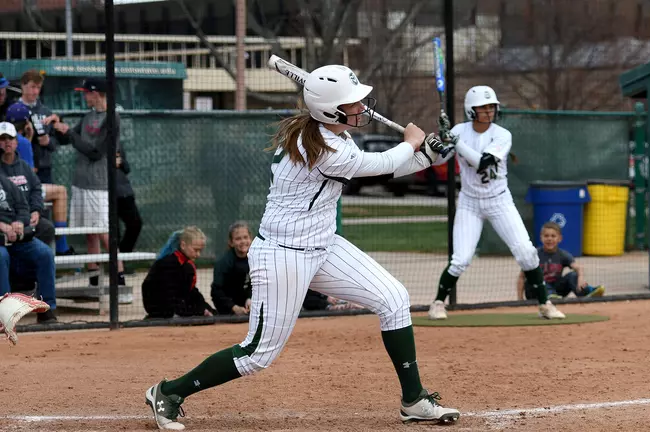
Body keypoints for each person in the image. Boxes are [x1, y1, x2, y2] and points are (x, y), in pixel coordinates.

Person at [143, 64, 459, 430]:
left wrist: (428, 156)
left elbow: (379, 169)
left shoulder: (332, 135)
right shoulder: (323, 148)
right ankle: (169, 392)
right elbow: (383, 162)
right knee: (257, 354)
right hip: (284, 255)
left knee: (394, 299)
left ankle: (414, 399)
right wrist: (411, 143)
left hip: (323, 246)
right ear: (330, 111)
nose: (361, 107)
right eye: (352, 103)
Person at [428, 85, 566, 321]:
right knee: (461, 259)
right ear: (471, 110)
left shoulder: (502, 134)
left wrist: (456, 142)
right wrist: (440, 139)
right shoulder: (459, 131)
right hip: (470, 203)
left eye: (491, 107)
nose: (489, 111)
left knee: (526, 252)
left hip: (499, 201)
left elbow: (483, 162)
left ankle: (545, 304)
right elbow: (439, 159)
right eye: (483, 108)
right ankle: (438, 303)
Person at [49, 78, 125, 284]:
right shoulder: (88, 116)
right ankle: (94, 280)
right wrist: (57, 124)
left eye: (86, 93)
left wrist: (69, 132)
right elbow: (68, 138)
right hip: (80, 182)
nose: (84, 96)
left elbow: (95, 152)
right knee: (89, 233)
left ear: (96, 93)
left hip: (98, 184)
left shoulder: (112, 118)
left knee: (103, 232)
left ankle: (119, 279)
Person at [0, 173, 57, 324]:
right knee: (1, 256)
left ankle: (46, 310)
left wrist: (19, 222)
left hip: (17, 237)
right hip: (1, 238)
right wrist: (2, 226)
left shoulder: (5, 182)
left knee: (45, 253)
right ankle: (5, 314)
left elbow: (23, 206)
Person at [517, 222, 606, 300]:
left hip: (556, 291)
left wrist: (580, 279)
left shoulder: (563, 255)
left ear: (559, 238)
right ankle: (549, 295)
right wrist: (520, 298)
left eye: (553, 236)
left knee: (573, 275)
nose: (549, 239)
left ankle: (586, 293)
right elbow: (521, 277)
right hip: (536, 292)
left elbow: (578, 268)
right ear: (541, 238)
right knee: (533, 279)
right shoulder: (534, 254)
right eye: (546, 236)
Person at [0, 122, 56, 247]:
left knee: (47, 228)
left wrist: (36, 211)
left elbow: (36, 189)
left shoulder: (25, 166)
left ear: (16, 142)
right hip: (4, 219)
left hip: (26, 218)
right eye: (3, 139)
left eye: (10, 138)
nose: (7, 142)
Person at [142, 226, 215, 319]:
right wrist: (198, 311)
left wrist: (207, 308)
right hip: (160, 308)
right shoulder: (168, 264)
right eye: (195, 250)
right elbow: (170, 295)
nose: (198, 254)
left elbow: (191, 292)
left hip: (174, 305)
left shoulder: (186, 265)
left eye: (200, 250)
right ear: (183, 245)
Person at [18, 70, 59, 184]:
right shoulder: (13, 110)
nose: (36, 91)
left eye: (38, 87)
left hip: (44, 168)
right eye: (32, 87)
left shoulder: (46, 112)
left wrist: (48, 141)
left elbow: (56, 142)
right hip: (20, 167)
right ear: (23, 86)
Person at [210, 221, 252, 316]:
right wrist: (233, 307)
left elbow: (253, 285)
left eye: (245, 237)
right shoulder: (223, 263)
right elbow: (216, 292)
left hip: (245, 305)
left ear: (251, 239)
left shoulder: (254, 259)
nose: (243, 241)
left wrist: (249, 299)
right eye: (238, 239)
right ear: (231, 242)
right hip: (227, 307)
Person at [116, 146, 143, 257]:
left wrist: (121, 162)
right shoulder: (93, 142)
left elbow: (127, 168)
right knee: (114, 231)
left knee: (135, 224)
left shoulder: (116, 143)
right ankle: (116, 262)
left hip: (124, 193)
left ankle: (123, 257)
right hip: (103, 193)